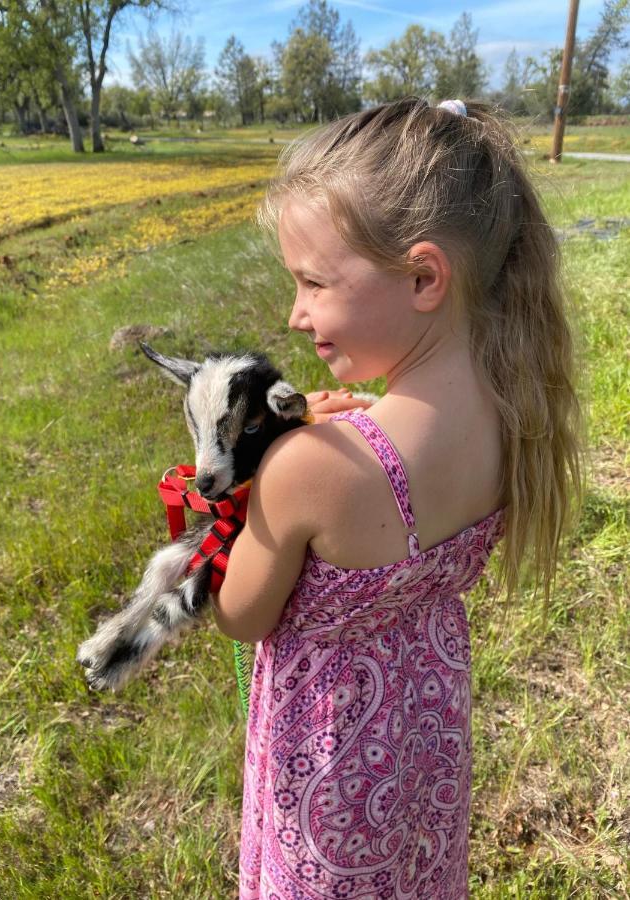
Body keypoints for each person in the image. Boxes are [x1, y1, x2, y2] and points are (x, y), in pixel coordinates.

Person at [211, 97, 583, 899]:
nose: (295, 312)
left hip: (330, 775)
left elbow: (239, 613)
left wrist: (247, 491)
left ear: (422, 276)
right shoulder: (510, 410)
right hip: (424, 743)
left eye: (311, 282)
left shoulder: (312, 466)